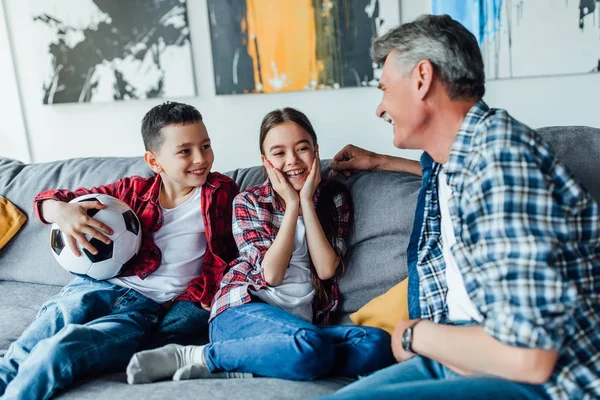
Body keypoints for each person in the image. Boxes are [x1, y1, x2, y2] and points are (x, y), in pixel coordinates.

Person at [324, 14, 600, 400]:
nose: (380, 108)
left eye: (385, 89)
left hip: (547, 383)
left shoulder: (501, 163)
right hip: (463, 357)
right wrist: (379, 162)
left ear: (422, 78)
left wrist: (415, 333)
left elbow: (531, 357)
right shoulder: (449, 162)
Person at [126, 108, 394, 383]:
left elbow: (326, 270)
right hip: (241, 310)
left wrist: (306, 202)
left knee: (375, 344)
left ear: (316, 151)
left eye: (302, 149)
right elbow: (272, 275)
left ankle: (248, 363)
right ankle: (199, 356)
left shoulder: (334, 197)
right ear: (266, 162)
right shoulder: (248, 201)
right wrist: (291, 205)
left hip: (299, 327)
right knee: (310, 346)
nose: (292, 160)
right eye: (279, 153)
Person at [0, 102, 239, 399]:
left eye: (205, 146)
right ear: (154, 161)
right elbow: (51, 199)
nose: (200, 159)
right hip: (90, 288)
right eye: (185, 151)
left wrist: (206, 291)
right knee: (21, 353)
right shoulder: (132, 191)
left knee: (60, 350)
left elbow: (231, 252)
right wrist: (61, 211)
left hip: (142, 310)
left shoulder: (221, 192)